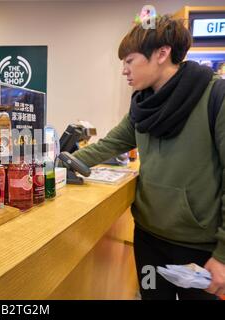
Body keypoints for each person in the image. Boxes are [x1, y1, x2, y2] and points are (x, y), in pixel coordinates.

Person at [72, 15, 225, 300]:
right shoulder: (142, 104)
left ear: (162, 54)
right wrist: (59, 162)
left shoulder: (216, 96)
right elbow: (112, 143)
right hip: (148, 239)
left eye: (129, 61)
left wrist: (223, 256)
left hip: (200, 249)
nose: (124, 71)